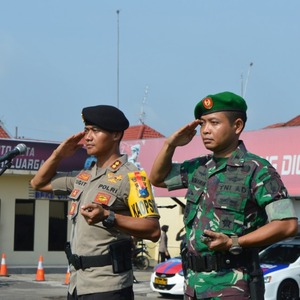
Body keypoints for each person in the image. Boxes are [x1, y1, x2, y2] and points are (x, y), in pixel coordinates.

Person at [149, 91, 298, 300]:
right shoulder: (198, 167)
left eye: (214, 123)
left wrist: (234, 242)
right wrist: (170, 145)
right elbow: (157, 178)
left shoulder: (257, 169)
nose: (205, 130)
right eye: (202, 124)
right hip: (194, 286)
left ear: (237, 126)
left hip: (233, 286)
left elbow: (287, 224)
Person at [31, 105, 161, 300]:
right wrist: (58, 154)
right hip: (77, 284)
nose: (88, 137)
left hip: (107, 286)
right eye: (86, 130)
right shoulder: (84, 176)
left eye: (95, 130)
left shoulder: (132, 177)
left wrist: (108, 216)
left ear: (116, 135)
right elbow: (37, 183)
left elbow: (153, 230)